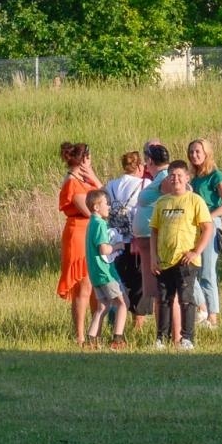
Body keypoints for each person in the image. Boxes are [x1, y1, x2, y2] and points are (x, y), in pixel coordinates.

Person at [150, 160, 214, 350]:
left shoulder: (195, 200)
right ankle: (161, 338)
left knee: (186, 298)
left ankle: (187, 338)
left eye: (179, 175)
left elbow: (207, 228)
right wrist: (153, 257)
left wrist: (196, 251)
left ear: (187, 178)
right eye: (172, 175)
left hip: (186, 259)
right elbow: (154, 231)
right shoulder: (162, 202)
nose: (175, 179)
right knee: (163, 299)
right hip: (164, 259)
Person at [57, 142, 103, 346]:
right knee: (83, 285)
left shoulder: (86, 180)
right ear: (84, 158)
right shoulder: (72, 182)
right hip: (79, 233)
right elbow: (92, 209)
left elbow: (105, 199)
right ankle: (80, 335)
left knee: (95, 286)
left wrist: (94, 177)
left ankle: (95, 333)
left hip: (92, 232)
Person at [186, 139, 222, 330]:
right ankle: (202, 307)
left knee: (207, 271)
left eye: (198, 151)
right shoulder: (193, 178)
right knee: (191, 267)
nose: (194, 155)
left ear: (206, 153)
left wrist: (208, 217)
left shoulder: (215, 175)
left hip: (210, 224)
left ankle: (212, 316)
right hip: (193, 225)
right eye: (191, 152)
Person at [129, 142, 172, 326]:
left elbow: (178, 196)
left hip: (155, 239)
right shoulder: (160, 177)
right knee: (154, 289)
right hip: (147, 240)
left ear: (150, 160)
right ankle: (161, 329)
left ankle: (164, 331)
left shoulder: (164, 178)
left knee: (159, 288)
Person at [103, 151, 148, 321]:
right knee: (139, 283)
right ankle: (138, 321)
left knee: (118, 281)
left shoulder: (111, 185)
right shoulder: (144, 184)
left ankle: (116, 319)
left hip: (115, 240)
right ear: (138, 166)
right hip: (136, 239)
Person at [84, 189, 129, 351]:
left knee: (102, 306)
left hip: (95, 273)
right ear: (96, 207)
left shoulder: (91, 224)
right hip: (105, 272)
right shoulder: (100, 224)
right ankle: (118, 339)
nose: (109, 207)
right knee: (123, 303)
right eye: (106, 204)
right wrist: (118, 246)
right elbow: (104, 249)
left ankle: (91, 339)